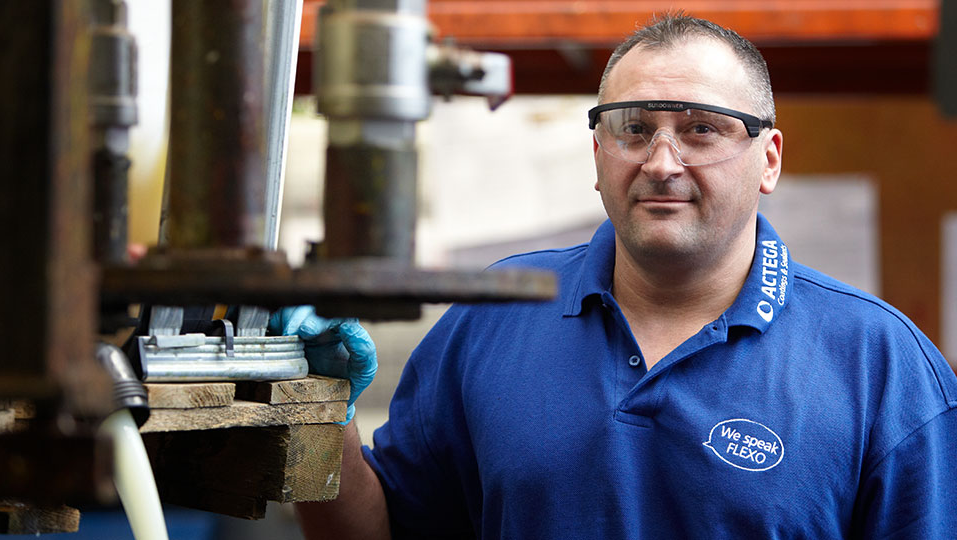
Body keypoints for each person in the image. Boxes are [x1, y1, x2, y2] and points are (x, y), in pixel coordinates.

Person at [275, 14, 957, 539]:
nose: (662, 161)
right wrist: (320, 409)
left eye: (702, 130)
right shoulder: (494, 318)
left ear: (768, 159)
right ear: (598, 152)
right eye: (634, 128)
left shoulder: (881, 365)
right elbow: (380, 532)